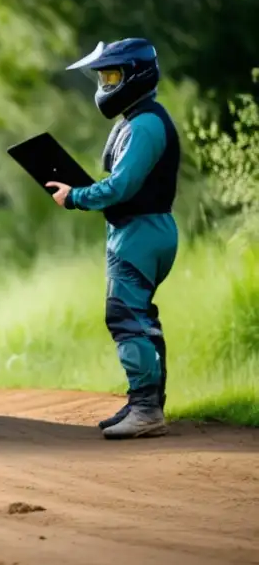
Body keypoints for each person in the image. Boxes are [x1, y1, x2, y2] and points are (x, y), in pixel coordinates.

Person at [46, 38, 179, 440]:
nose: (105, 83)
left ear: (136, 75)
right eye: (103, 75)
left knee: (125, 317)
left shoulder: (145, 124)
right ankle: (144, 401)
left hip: (141, 231)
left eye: (112, 75)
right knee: (141, 318)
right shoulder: (138, 119)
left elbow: (121, 186)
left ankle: (146, 409)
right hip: (142, 229)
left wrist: (75, 197)